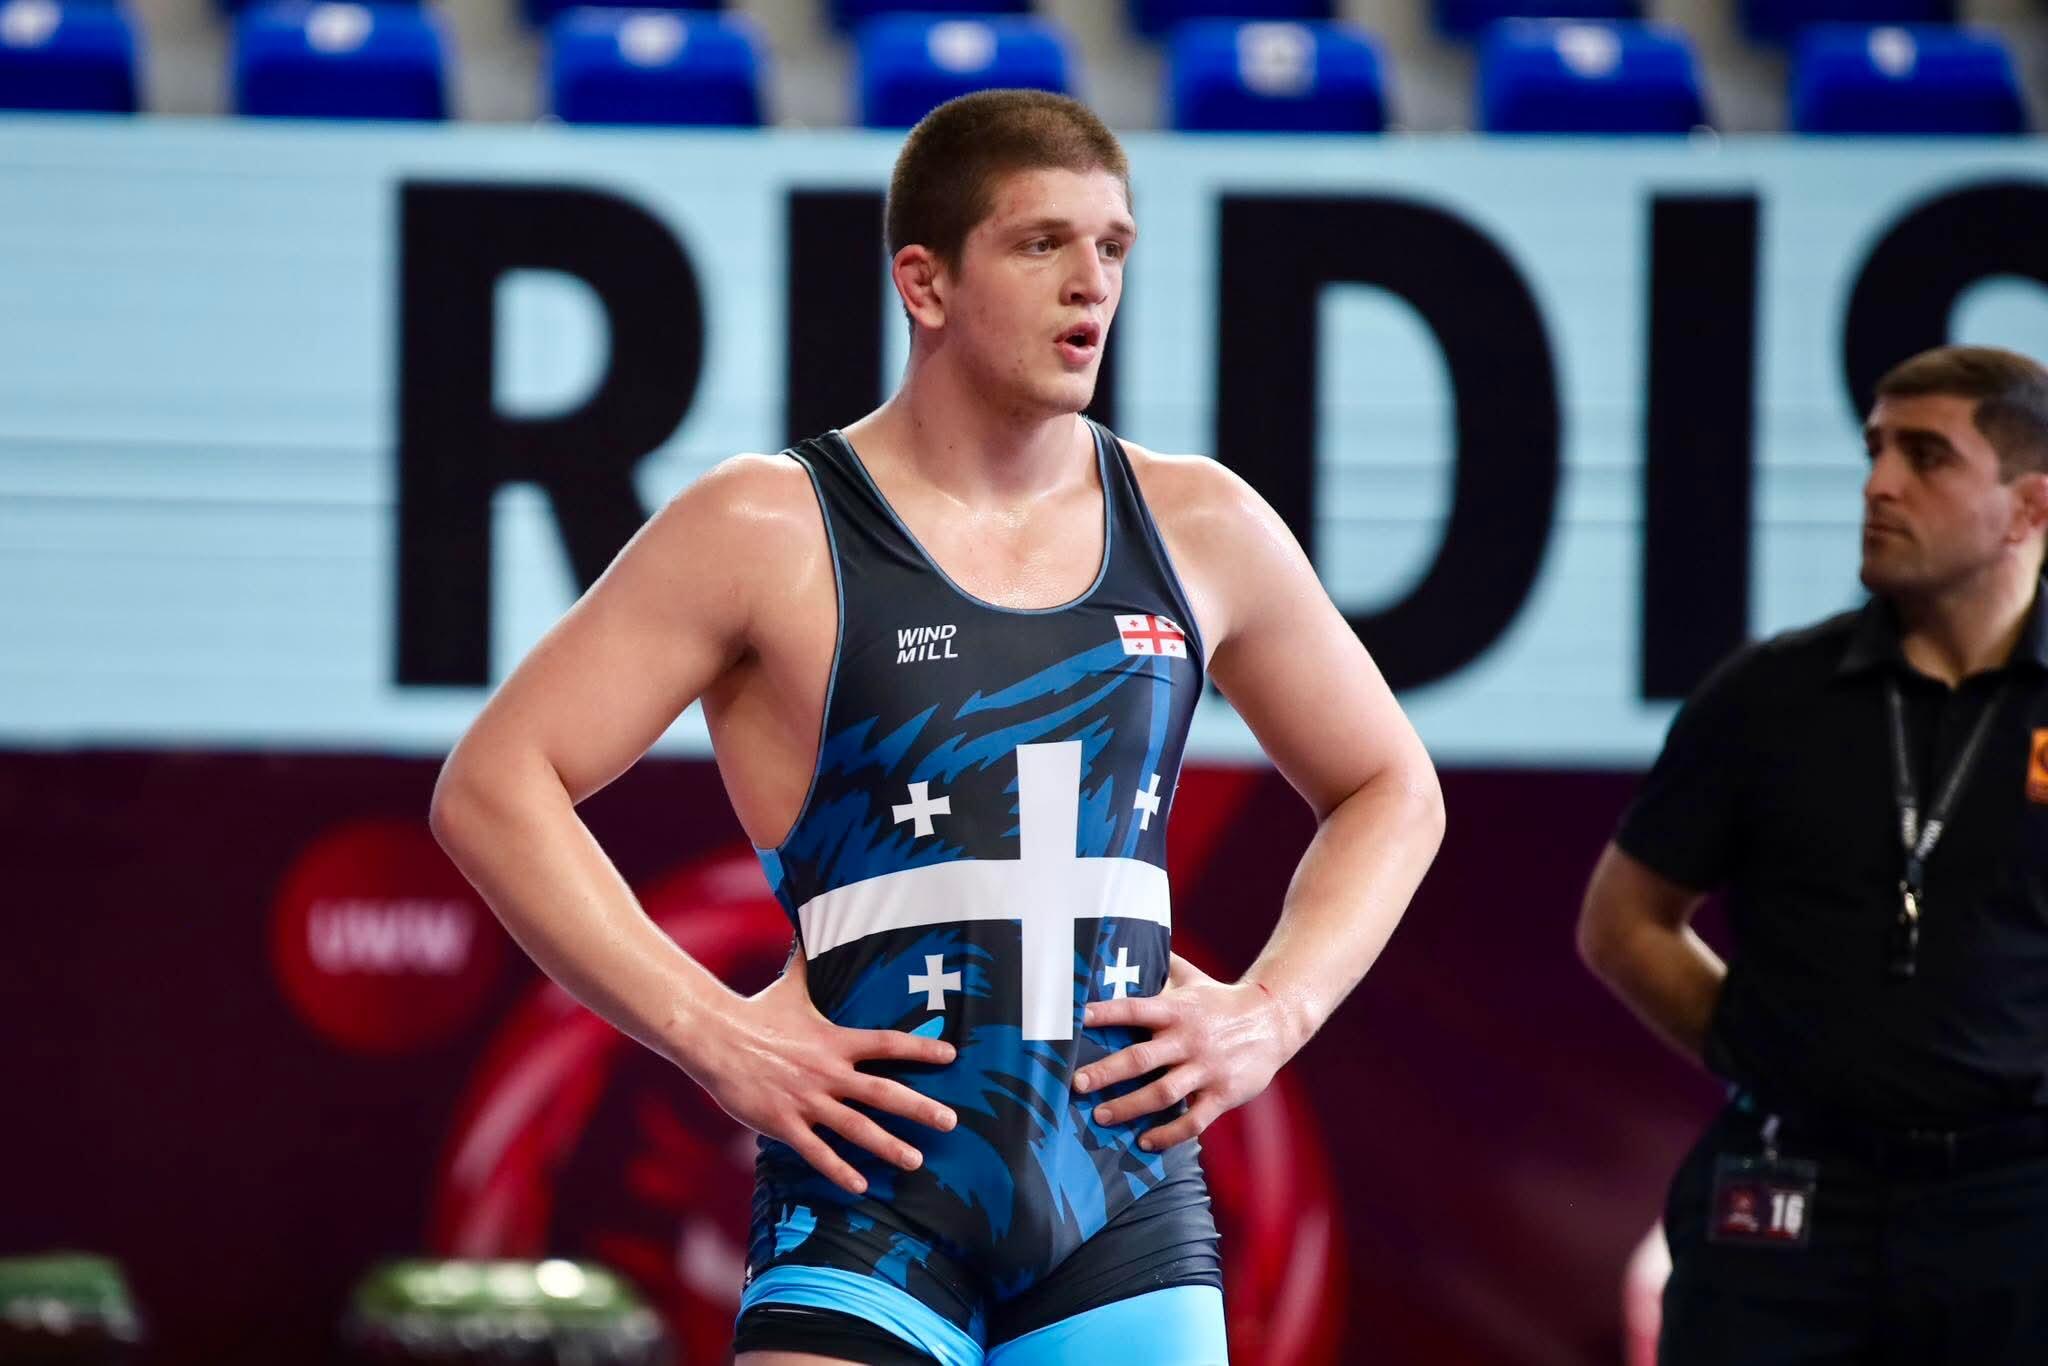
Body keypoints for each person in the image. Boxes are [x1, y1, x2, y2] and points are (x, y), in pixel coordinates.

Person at [430, 88, 1443, 1366]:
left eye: (1112, 246)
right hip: (866, 1207)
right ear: (925, 283)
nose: (1090, 283)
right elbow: (494, 785)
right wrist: (711, 1033)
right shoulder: (765, 527)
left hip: (1123, 1214)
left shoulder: (1200, 524)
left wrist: (1272, 1015)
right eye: (1041, 243)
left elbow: (1391, 787)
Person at [1578, 345, 2048, 1363]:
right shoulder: (1770, 696)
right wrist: (1758, 1051)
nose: (1880, 483)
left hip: (2016, 1202)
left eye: (1926, 456)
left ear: (2027, 509)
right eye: (1875, 449)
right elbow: (1623, 922)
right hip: (1790, 1194)